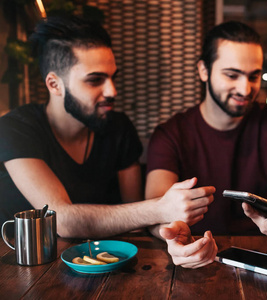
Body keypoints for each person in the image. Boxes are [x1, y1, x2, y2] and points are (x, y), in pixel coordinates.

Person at [0, 16, 215, 240]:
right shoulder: (16, 129)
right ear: (54, 85)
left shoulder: (118, 128)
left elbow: (136, 222)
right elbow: (60, 219)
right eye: (95, 80)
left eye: (113, 78)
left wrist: (173, 237)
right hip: (20, 267)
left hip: (102, 264)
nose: (112, 91)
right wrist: (161, 208)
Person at [145, 21, 267, 267]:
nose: (245, 88)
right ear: (203, 70)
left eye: (254, 76)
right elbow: (156, 212)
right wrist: (172, 234)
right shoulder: (170, 133)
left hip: (264, 255)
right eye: (232, 75)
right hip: (196, 253)